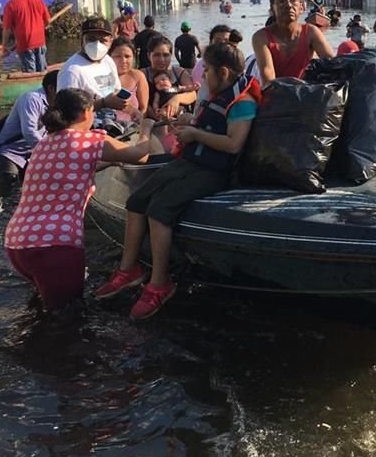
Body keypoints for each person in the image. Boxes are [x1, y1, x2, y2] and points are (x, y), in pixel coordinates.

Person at [94, 42, 262, 320]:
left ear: (222, 72)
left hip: (214, 172)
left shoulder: (242, 102)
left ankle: (160, 283)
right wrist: (189, 123)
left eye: (206, 70)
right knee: (137, 201)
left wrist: (195, 135)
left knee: (160, 211)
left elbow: (234, 144)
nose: (202, 75)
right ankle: (129, 269)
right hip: (190, 162)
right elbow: (205, 123)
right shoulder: (217, 92)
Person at [4, 88, 154, 312]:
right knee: (68, 318)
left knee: (42, 310)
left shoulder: (45, 143)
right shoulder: (90, 141)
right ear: (86, 113)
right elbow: (140, 155)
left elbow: (70, 171)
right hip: (55, 246)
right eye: (93, 111)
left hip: (18, 243)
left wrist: (109, 162)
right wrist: (146, 129)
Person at [251, 0, 335, 84]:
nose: (288, 5)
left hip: (305, 94)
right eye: (281, 1)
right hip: (276, 95)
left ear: (301, 7)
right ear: (272, 8)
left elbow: (333, 65)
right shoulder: (261, 38)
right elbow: (268, 78)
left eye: (293, 0)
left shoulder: (311, 32)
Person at [0, 70, 58, 196]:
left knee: (30, 191)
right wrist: (51, 153)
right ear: (51, 88)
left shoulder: (56, 102)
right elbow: (29, 131)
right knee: (10, 193)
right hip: (9, 153)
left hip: (30, 153)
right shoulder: (31, 99)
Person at [56, 16, 131, 114]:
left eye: (103, 40)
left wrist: (131, 110)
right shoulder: (72, 71)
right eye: (91, 39)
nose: (97, 45)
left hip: (111, 121)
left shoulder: (108, 61)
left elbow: (116, 91)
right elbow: (66, 111)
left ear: (111, 41)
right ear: (81, 40)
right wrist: (103, 103)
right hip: (86, 127)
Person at [1, 0, 51, 73]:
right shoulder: (38, 1)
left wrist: (4, 46)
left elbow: (7, 29)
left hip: (25, 44)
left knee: (30, 73)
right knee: (42, 71)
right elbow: (47, 21)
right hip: (40, 41)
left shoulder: (11, 5)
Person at [143, 35, 198, 121]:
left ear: (171, 56)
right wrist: (154, 114)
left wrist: (177, 99)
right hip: (152, 120)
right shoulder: (143, 74)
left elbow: (193, 94)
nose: (162, 59)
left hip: (179, 118)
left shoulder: (179, 72)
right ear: (148, 55)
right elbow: (141, 101)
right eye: (156, 55)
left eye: (166, 55)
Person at [108, 37, 149, 122]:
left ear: (133, 58)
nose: (123, 60)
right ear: (109, 57)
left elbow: (143, 109)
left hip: (131, 128)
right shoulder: (100, 75)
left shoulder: (138, 76)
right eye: (118, 56)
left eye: (127, 56)